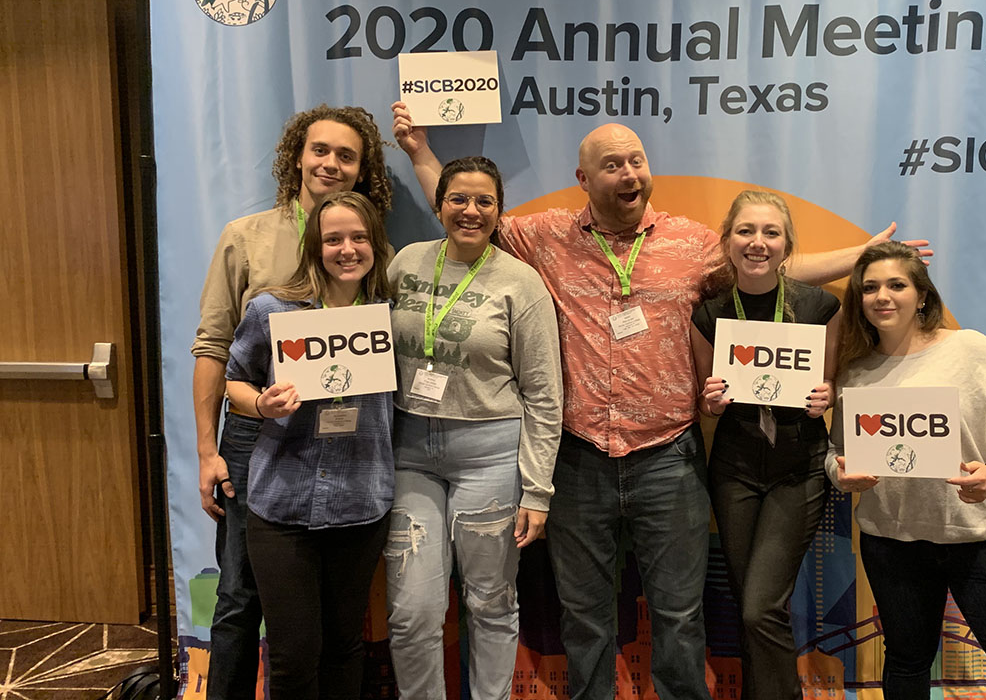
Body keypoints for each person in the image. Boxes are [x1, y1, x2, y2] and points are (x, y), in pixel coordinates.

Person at [392, 101, 925, 700]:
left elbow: (773, 262)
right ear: (583, 180)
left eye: (637, 161)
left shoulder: (694, 244)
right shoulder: (542, 237)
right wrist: (420, 155)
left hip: (669, 457)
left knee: (677, 617)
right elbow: (465, 210)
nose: (629, 174)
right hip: (578, 456)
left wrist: (860, 259)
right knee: (585, 619)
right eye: (613, 165)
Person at [191, 105, 392, 699]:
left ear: (362, 171)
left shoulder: (376, 266)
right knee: (239, 599)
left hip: (352, 454)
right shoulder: (246, 238)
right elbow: (215, 349)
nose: (331, 163)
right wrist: (208, 449)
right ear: (298, 157)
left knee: (335, 632)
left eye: (346, 155)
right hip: (260, 437)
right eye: (320, 150)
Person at [826, 241, 986, 699]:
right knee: (908, 663)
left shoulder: (972, 349)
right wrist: (841, 475)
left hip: (980, 539)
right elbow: (834, 452)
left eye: (897, 284)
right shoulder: (853, 371)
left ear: (922, 296)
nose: (882, 296)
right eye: (870, 287)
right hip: (892, 545)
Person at [382, 156, 562, 700]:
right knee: (412, 612)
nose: (471, 210)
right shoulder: (406, 264)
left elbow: (545, 395)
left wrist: (538, 488)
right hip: (410, 453)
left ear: (498, 211)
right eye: (458, 198)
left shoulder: (520, 282)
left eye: (485, 201)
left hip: (490, 456)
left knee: (489, 601)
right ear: (438, 205)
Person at [690, 191, 840, 700]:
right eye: (746, 231)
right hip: (733, 470)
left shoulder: (820, 305)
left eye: (771, 233)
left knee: (759, 607)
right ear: (728, 239)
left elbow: (831, 382)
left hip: (797, 469)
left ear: (786, 244)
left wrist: (827, 396)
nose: (758, 243)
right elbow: (705, 399)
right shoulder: (708, 313)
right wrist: (709, 401)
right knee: (749, 605)